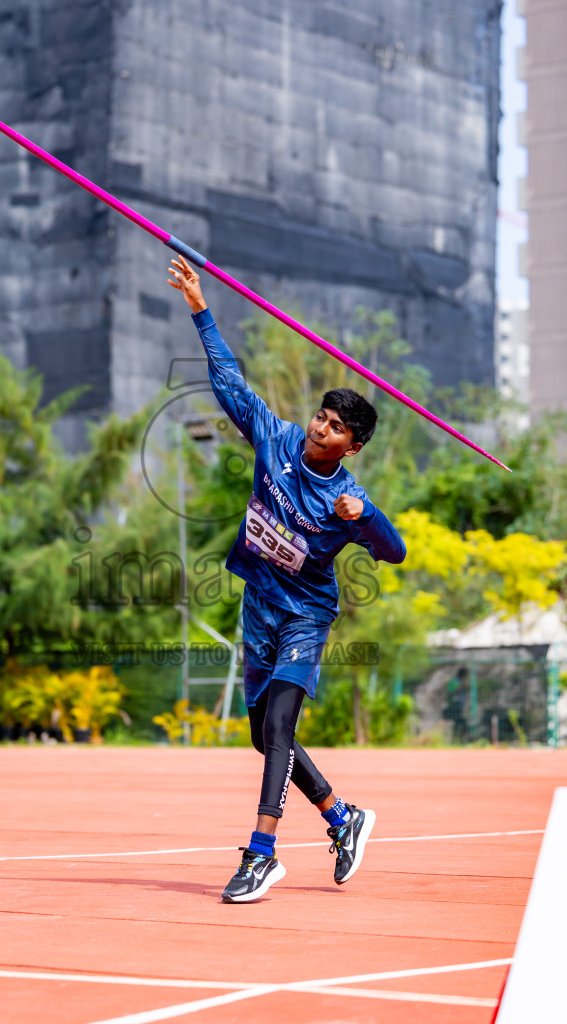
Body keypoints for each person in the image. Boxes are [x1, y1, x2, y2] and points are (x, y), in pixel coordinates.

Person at [167, 255, 407, 903]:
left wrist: (371, 516)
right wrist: (200, 308)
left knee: (278, 729)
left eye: (334, 429)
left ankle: (262, 853)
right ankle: (341, 817)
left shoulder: (345, 500)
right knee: (260, 736)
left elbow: (395, 552)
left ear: (350, 447)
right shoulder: (272, 439)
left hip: (305, 617)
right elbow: (228, 382)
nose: (319, 428)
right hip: (259, 609)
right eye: (321, 417)